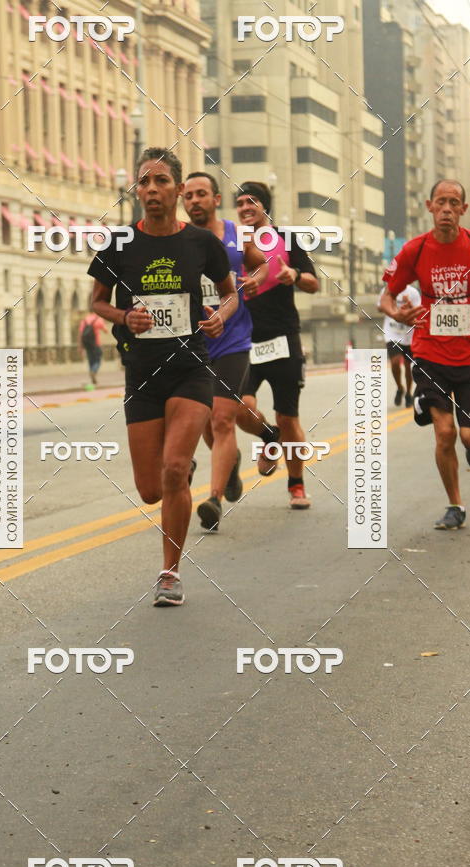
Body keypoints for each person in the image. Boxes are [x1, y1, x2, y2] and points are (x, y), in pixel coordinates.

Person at [88, 148, 237, 606]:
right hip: (142, 374)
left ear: (175, 189)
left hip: (191, 368)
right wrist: (122, 318)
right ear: (136, 189)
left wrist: (219, 319)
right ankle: (180, 470)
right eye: (144, 182)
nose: (151, 190)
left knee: (173, 471)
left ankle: (169, 574)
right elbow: (97, 301)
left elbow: (230, 295)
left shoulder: (199, 243)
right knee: (152, 489)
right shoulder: (118, 244)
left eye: (161, 182)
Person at [380, 179, 470, 530]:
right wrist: (395, 314)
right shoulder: (415, 251)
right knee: (444, 433)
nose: (446, 209)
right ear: (429, 206)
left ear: (463, 210)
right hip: (428, 352)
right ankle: (455, 505)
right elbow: (386, 296)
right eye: (440, 202)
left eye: (454, 202)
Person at [182, 171, 268, 532]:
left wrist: (256, 278)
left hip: (233, 340)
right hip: (194, 343)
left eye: (202, 194)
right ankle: (234, 461)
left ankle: (214, 499)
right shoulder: (177, 239)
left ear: (216, 199)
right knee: (206, 421)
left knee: (221, 418)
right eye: (188, 196)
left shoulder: (237, 234)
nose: (194, 201)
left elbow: (261, 263)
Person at [233, 182, 319, 509]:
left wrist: (294, 275)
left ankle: (296, 485)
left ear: (264, 206)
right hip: (244, 339)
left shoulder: (287, 239)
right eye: (239, 202)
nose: (244, 207)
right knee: (239, 406)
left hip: (283, 337)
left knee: (288, 416)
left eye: (251, 201)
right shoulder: (233, 242)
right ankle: (269, 437)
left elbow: (313, 283)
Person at [378, 282, 421, 407]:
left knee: (409, 366)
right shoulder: (387, 290)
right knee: (395, 362)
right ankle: (400, 388)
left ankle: (408, 393)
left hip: (408, 334)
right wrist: (391, 306)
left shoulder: (412, 292)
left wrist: (409, 306)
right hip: (392, 333)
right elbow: (379, 307)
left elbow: (419, 310)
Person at [79, 307, 108, 389]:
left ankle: (92, 376)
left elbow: (80, 334)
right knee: (98, 359)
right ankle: (93, 371)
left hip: (87, 344)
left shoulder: (84, 320)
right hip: (96, 343)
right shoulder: (98, 319)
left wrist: (80, 347)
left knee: (91, 360)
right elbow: (106, 330)